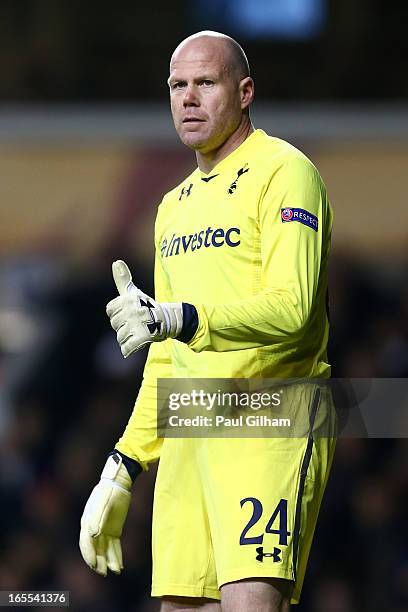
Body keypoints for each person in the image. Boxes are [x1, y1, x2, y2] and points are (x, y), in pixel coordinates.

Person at [79, 31, 336, 611]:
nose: (188, 99)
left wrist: (180, 316)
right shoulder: (173, 207)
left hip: (269, 418)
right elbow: (164, 356)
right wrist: (123, 466)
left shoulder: (286, 173)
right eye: (177, 86)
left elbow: (293, 309)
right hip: (192, 432)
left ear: (244, 92)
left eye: (205, 83)